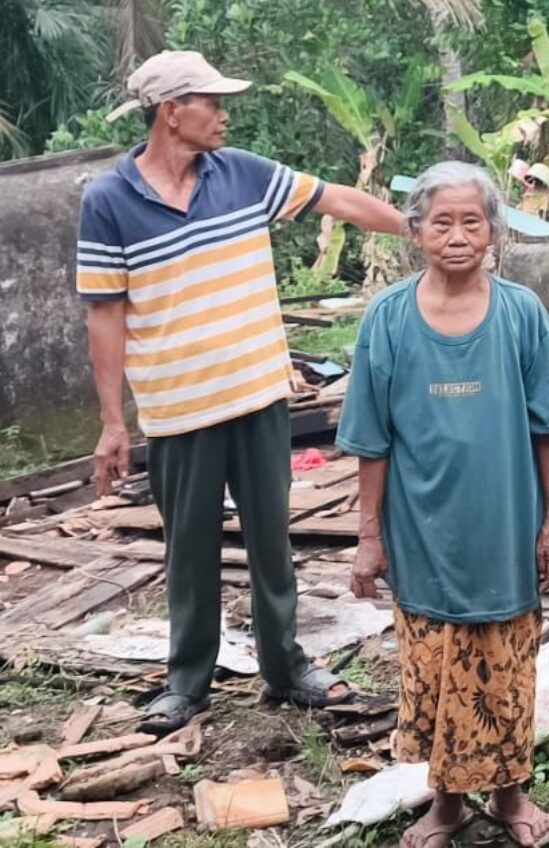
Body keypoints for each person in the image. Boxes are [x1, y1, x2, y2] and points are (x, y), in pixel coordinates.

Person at [76, 51, 407, 735]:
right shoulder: (109, 202)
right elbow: (104, 314)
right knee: (189, 549)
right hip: (177, 409)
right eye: (212, 102)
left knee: (270, 541)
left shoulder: (246, 175)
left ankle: (286, 668)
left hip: (257, 396)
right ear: (173, 112)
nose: (225, 114)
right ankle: (186, 683)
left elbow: (337, 200)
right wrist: (114, 423)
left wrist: (419, 228)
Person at [337, 162, 549, 848]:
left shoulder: (522, 313)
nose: (459, 235)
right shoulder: (388, 318)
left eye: (473, 221)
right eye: (443, 221)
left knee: (506, 667)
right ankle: (446, 803)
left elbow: (548, 427)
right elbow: (370, 440)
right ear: (416, 233)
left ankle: (509, 797)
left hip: (505, 529)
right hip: (421, 532)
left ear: (495, 231)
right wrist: (368, 537)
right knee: (435, 670)